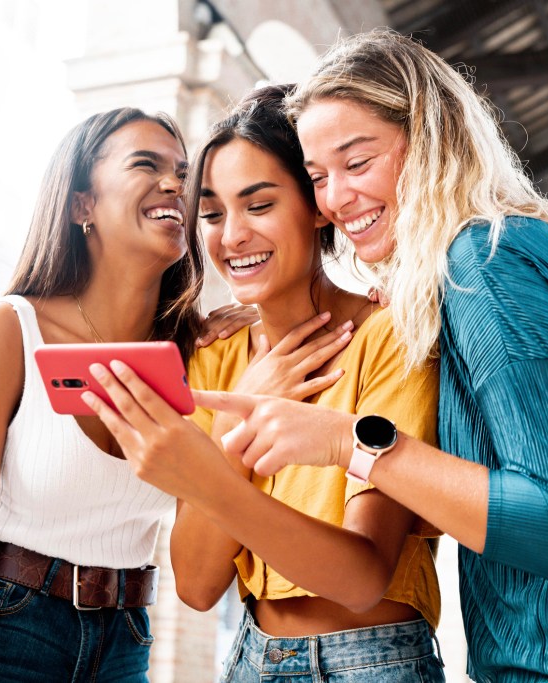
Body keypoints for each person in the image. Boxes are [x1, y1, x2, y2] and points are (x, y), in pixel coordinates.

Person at [193, 30, 548, 682]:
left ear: (429, 138)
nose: (334, 199)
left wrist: (351, 443)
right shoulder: (520, 253)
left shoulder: (487, 263)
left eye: (357, 163)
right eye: (317, 177)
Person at [82, 85, 445, 681]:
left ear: (315, 204)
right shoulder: (215, 361)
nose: (231, 237)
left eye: (258, 205)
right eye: (213, 213)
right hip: (251, 658)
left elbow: (360, 579)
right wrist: (233, 426)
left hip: (373, 660)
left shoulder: (389, 338)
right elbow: (198, 584)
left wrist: (222, 457)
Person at [0, 107, 202, 682]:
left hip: (124, 642)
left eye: (183, 171)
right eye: (146, 164)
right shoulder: (7, 332)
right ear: (83, 204)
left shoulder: (196, 357)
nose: (176, 184)